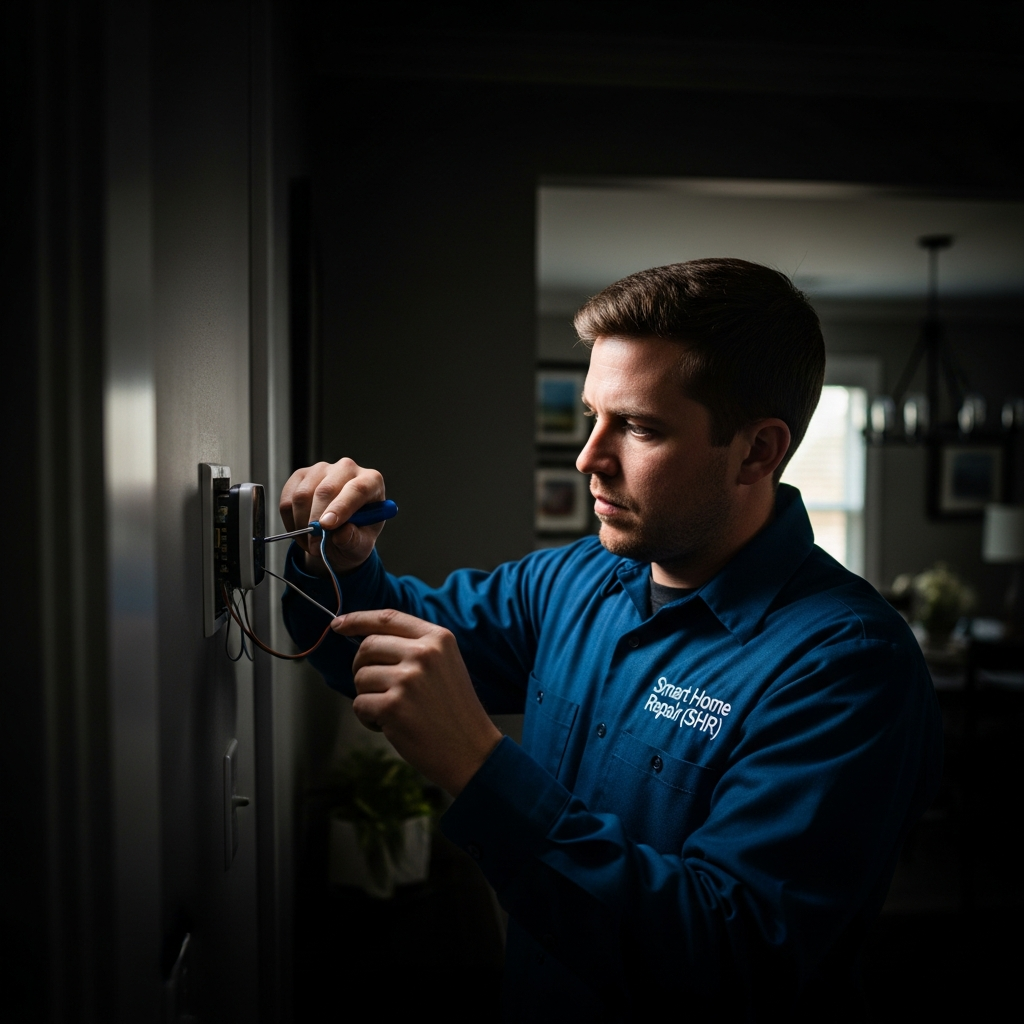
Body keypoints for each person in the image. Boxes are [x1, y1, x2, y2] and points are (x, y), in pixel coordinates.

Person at [280, 260, 942, 1021]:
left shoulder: (847, 667)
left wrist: (478, 766)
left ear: (758, 451)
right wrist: (337, 561)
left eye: (637, 426)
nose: (588, 457)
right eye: (594, 416)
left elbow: (731, 961)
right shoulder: (575, 580)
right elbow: (371, 639)